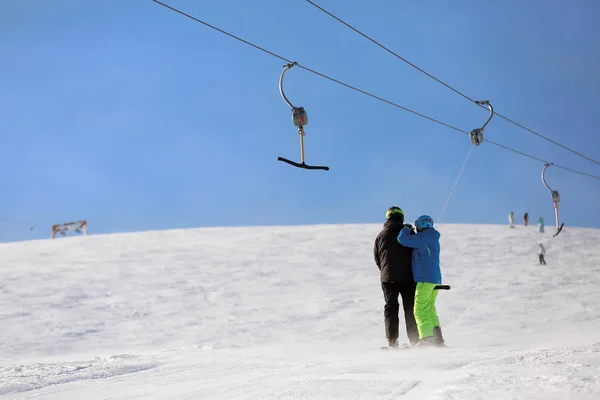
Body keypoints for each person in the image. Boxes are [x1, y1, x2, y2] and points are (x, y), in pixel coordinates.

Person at [373, 206, 419, 348]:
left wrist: (386, 271)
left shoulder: (381, 235)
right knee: (410, 308)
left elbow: (377, 258)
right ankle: (415, 340)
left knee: (391, 308)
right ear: (402, 217)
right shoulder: (408, 232)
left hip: (388, 278)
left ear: (388, 218)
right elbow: (416, 252)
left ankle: (392, 341)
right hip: (407, 277)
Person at [397, 215, 445, 347]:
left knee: (420, 309)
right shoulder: (432, 237)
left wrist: (406, 228)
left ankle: (427, 339)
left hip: (425, 278)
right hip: (434, 278)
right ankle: (438, 339)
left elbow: (403, 239)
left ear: (419, 225)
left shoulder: (422, 238)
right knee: (429, 308)